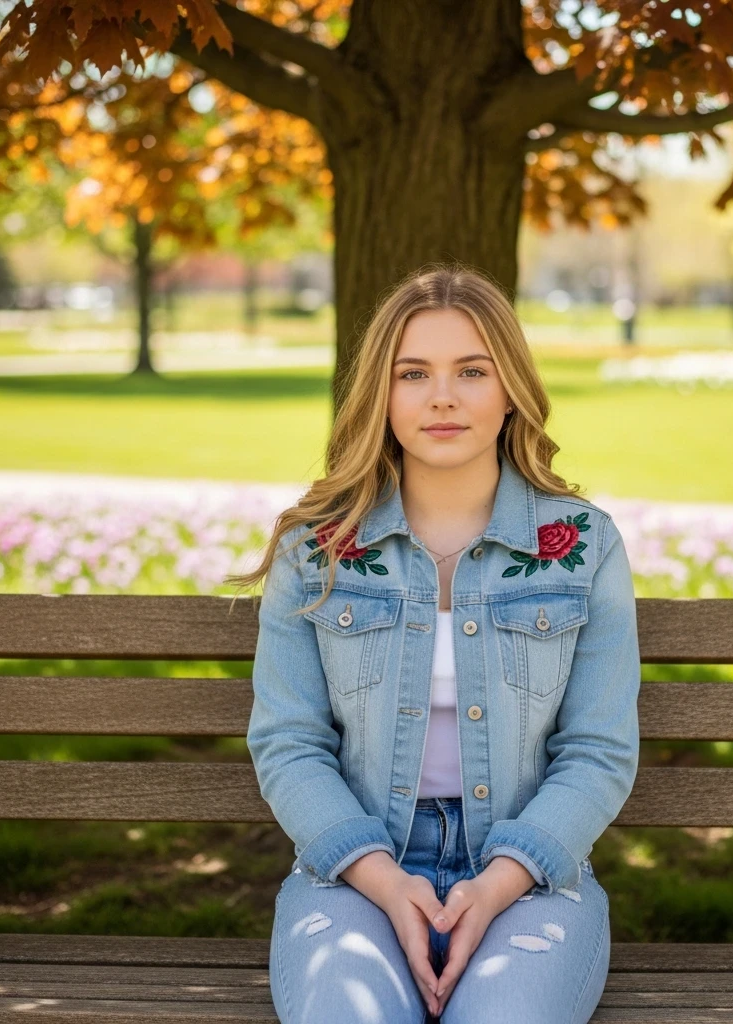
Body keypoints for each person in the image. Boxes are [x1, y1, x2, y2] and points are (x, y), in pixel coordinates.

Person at [234, 261, 641, 1023]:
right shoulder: (314, 549)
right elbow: (289, 742)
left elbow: (599, 750)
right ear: (380, 393)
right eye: (413, 372)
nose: (443, 396)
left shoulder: (583, 547)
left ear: (511, 387)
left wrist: (499, 882)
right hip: (355, 871)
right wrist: (385, 880)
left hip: (530, 874)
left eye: (472, 371)